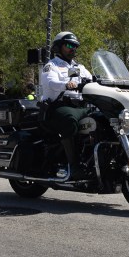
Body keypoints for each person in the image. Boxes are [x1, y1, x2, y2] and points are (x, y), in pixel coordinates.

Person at [40, 31, 93, 180]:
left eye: (75, 46)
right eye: (69, 45)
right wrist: (66, 84)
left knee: (101, 119)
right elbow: (51, 83)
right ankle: (73, 166)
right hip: (57, 107)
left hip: (80, 106)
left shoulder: (79, 67)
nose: (73, 49)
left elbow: (92, 79)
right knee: (70, 119)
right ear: (58, 47)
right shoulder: (51, 66)